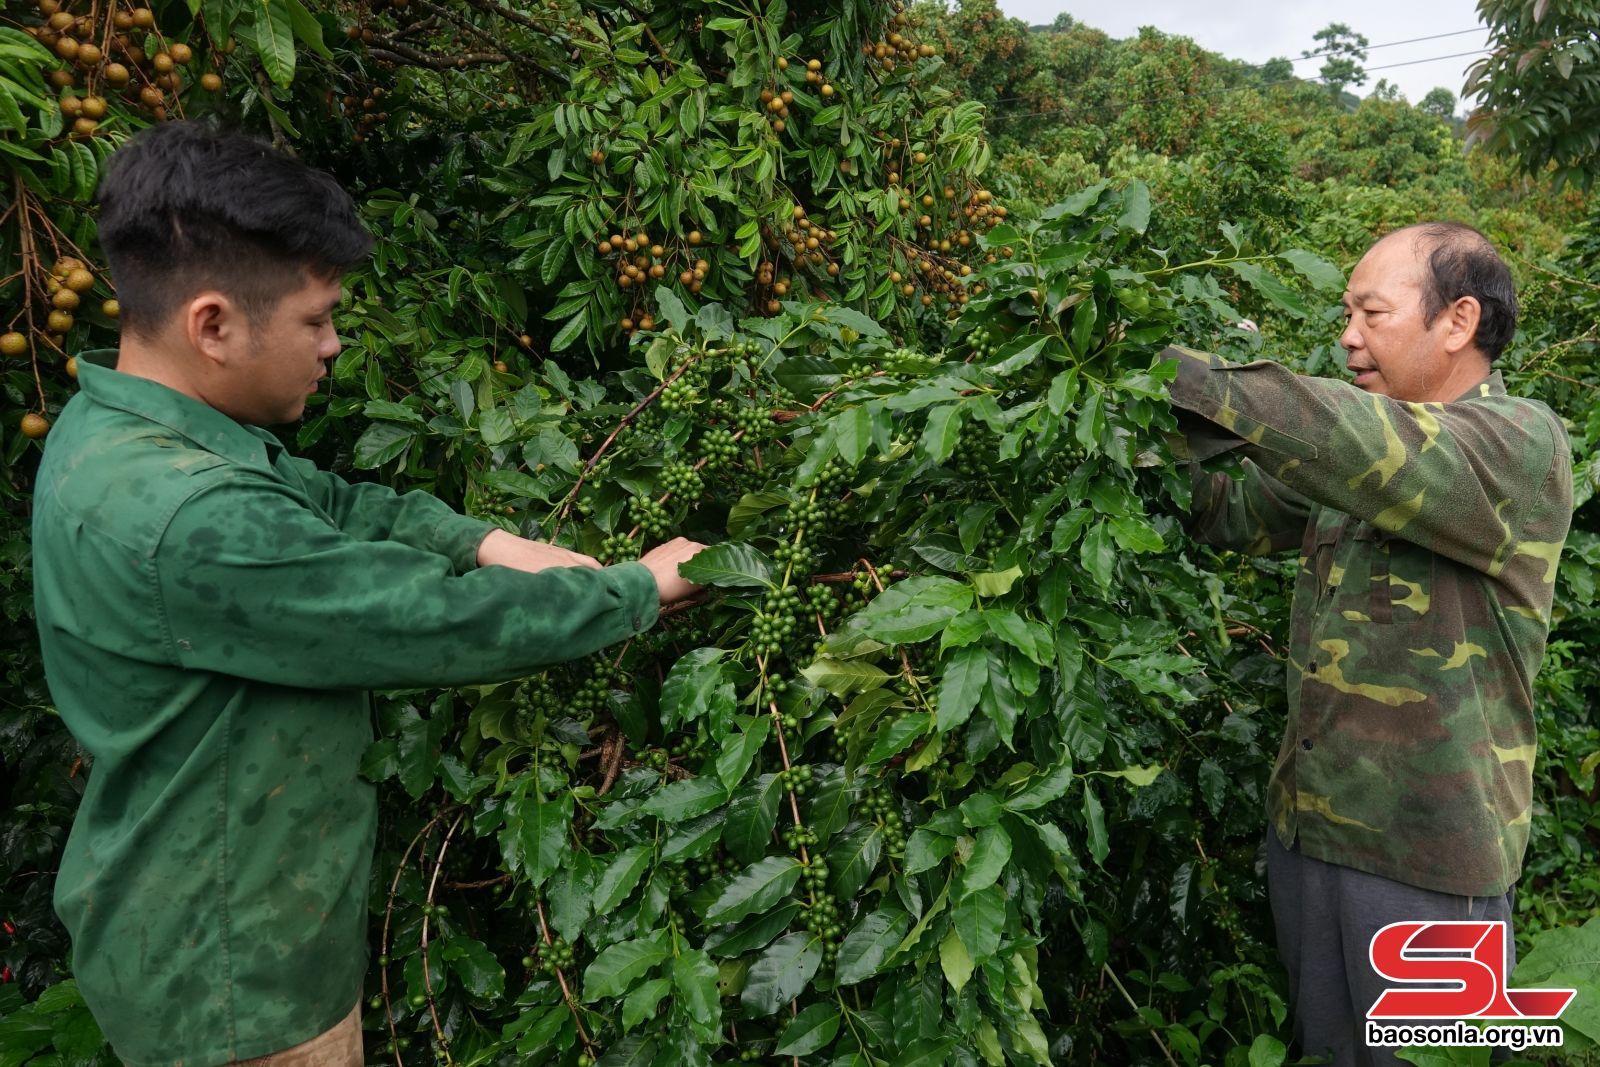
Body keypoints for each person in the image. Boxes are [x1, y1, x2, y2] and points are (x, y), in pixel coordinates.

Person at [30, 120, 706, 1066]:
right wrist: (639, 588)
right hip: (240, 986)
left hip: (192, 921)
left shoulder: (126, 430)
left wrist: (489, 540)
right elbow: (429, 620)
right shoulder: (190, 517)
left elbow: (333, 503)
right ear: (213, 324)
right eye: (317, 320)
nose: (335, 344)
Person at [1163, 223, 1572, 1065]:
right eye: (1345, 313)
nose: (1347, 335)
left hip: (1425, 861)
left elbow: (1344, 436)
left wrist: (1181, 375)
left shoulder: (1517, 447)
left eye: (1371, 313)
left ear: (1457, 321)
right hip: (1313, 833)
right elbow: (1231, 512)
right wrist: (1122, 422)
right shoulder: (1356, 461)